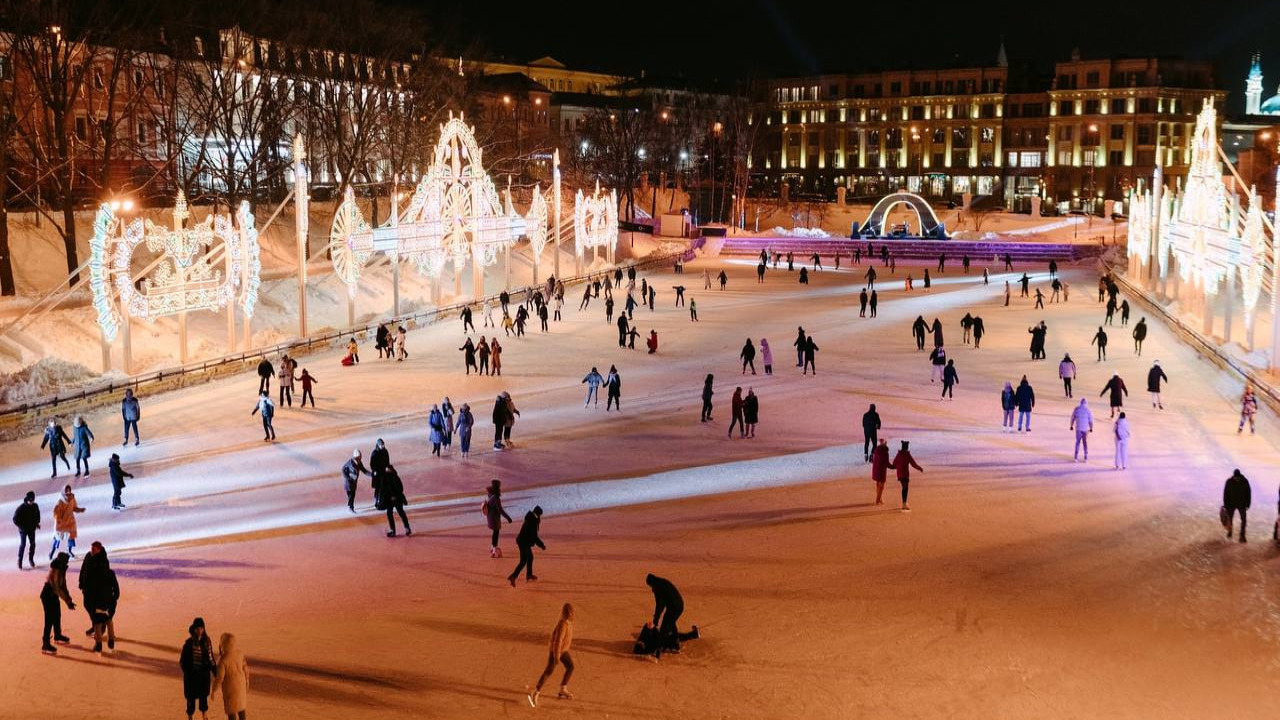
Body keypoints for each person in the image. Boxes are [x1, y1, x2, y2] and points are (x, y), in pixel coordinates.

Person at [527, 603, 576, 707]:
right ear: (566, 613)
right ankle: (536, 692)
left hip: (563, 651)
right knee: (549, 671)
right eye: (569, 613)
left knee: (570, 667)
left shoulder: (568, 623)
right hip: (556, 651)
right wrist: (556, 656)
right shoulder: (562, 624)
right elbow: (558, 641)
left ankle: (563, 688)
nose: (571, 615)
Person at [646, 573, 698, 656]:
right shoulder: (662, 582)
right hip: (680, 605)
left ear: (651, 583)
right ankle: (676, 644)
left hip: (673, 607)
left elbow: (659, 605)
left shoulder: (657, 587)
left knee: (664, 628)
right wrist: (656, 619)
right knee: (671, 623)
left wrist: (655, 621)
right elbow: (662, 604)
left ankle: (658, 651)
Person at [180, 617, 216, 720]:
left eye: (201, 628)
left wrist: (215, 672)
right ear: (194, 629)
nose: (200, 631)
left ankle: (204, 715)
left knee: (203, 696)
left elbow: (210, 657)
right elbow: (182, 661)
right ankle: (190, 716)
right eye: (198, 628)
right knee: (191, 698)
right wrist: (188, 671)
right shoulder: (189, 643)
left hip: (203, 675)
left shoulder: (207, 641)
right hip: (192, 676)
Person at [40, 552, 75, 654]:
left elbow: (63, 585)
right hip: (47, 596)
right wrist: (67, 601)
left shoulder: (62, 569)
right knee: (49, 619)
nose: (67, 562)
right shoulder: (56, 570)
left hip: (53, 596)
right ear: (62, 561)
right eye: (66, 561)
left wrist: (69, 599)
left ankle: (57, 635)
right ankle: (45, 644)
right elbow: (57, 588)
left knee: (57, 615)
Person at [211, 632, 249, 720]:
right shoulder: (240, 654)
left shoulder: (222, 660)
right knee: (241, 709)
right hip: (241, 685)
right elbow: (245, 668)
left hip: (230, 689)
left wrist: (214, 690)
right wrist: (247, 680)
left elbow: (219, 678)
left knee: (231, 711)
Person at [508, 506, 545, 586]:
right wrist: (542, 545)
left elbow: (533, 535)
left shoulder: (531, 518)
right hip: (523, 543)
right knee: (523, 561)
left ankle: (529, 575)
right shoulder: (532, 521)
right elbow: (534, 536)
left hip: (524, 542)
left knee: (530, 557)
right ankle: (513, 576)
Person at [50, 485, 84, 559]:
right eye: (66, 491)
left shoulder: (72, 498)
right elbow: (56, 513)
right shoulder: (60, 501)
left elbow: (74, 508)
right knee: (58, 538)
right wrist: (58, 520)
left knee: (71, 536)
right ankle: (52, 552)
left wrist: (80, 510)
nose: (68, 492)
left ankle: (69, 550)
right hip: (62, 522)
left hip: (70, 521)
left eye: (69, 490)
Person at [889, 441, 923, 511]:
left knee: (904, 488)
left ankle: (904, 503)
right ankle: (904, 504)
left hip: (899, 474)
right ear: (907, 447)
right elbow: (913, 464)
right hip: (905, 474)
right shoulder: (907, 454)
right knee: (905, 488)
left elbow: (894, 464)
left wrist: (898, 467)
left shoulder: (899, 454)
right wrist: (919, 468)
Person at [380, 464, 412, 537]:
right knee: (401, 513)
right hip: (396, 498)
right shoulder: (395, 477)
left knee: (390, 514)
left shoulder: (386, 478)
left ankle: (393, 531)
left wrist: (391, 496)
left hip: (391, 499)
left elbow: (383, 489)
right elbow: (400, 488)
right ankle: (407, 528)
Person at [1222, 469, 1252, 542]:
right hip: (1231, 504)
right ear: (1233, 476)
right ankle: (1230, 533)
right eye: (1236, 478)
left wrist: (1248, 504)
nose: (1237, 479)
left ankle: (1242, 536)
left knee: (1243, 520)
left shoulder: (1245, 481)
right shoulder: (1229, 482)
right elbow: (1225, 494)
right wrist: (1226, 505)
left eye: (1238, 478)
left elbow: (1248, 493)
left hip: (1242, 504)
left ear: (1240, 476)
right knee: (1230, 520)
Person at [14, 491, 40, 570]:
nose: (31, 502)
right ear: (27, 499)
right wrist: (21, 527)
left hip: (31, 529)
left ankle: (31, 559)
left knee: (33, 544)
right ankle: (20, 561)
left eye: (33, 500)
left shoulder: (35, 506)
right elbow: (15, 519)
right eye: (30, 501)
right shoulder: (21, 508)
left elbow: (37, 515)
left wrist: (37, 524)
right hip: (23, 530)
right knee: (23, 544)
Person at [870, 438, 890, 504]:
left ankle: (879, 499)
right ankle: (878, 500)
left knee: (878, 484)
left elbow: (872, 460)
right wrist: (895, 466)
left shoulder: (876, 450)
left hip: (875, 469)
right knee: (882, 485)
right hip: (881, 471)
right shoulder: (885, 452)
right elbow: (887, 463)